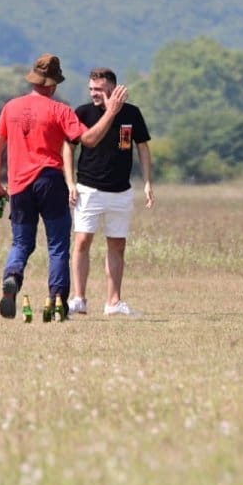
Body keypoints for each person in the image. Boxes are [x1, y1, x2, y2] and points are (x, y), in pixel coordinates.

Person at [0, 54, 127, 319]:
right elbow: (88, 139)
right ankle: (57, 302)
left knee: (21, 242)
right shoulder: (60, 110)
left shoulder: (11, 107)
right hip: (51, 181)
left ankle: (12, 277)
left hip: (19, 185)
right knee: (58, 246)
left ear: (34, 80)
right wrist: (111, 112)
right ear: (53, 85)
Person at [65, 67, 155, 317]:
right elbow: (70, 146)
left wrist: (148, 181)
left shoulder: (132, 113)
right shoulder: (83, 112)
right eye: (91, 89)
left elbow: (142, 147)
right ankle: (79, 299)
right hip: (88, 188)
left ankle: (114, 301)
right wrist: (70, 182)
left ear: (114, 90)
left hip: (121, 190)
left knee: (117, 244)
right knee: (82, 241)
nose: (94, 93)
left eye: (99, 89)